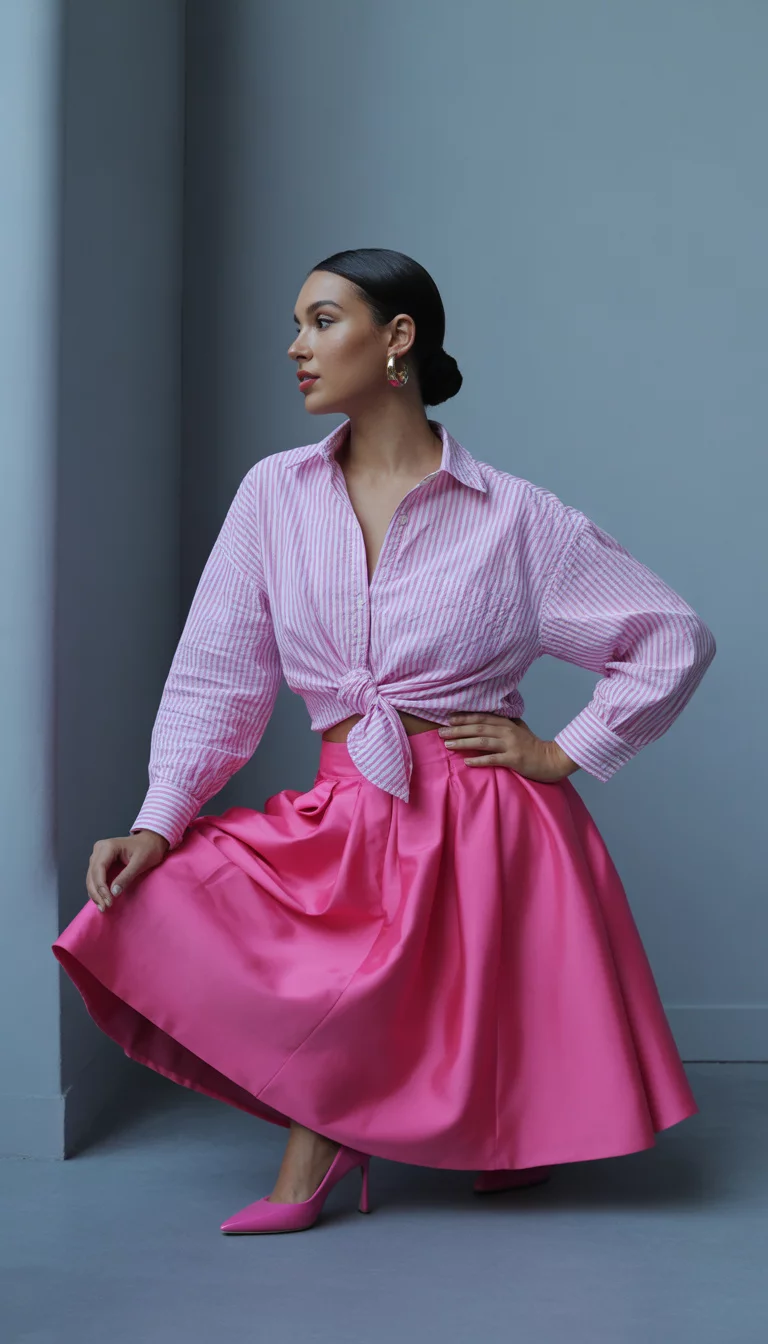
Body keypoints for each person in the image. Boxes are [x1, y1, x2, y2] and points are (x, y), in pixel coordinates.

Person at [52, 247, 717, 1235]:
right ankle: (347, 1130)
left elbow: (671, 635)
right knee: (202, 909)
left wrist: (564, 751)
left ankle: (380, 1148)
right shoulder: (274, 495)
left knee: (452, 979)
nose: (295, 347)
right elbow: (217, 677)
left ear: (397, 338)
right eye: (296, 324)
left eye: (322, 320)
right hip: (352, 794)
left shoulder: (517, 518)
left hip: (490, 811)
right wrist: (159, 819)